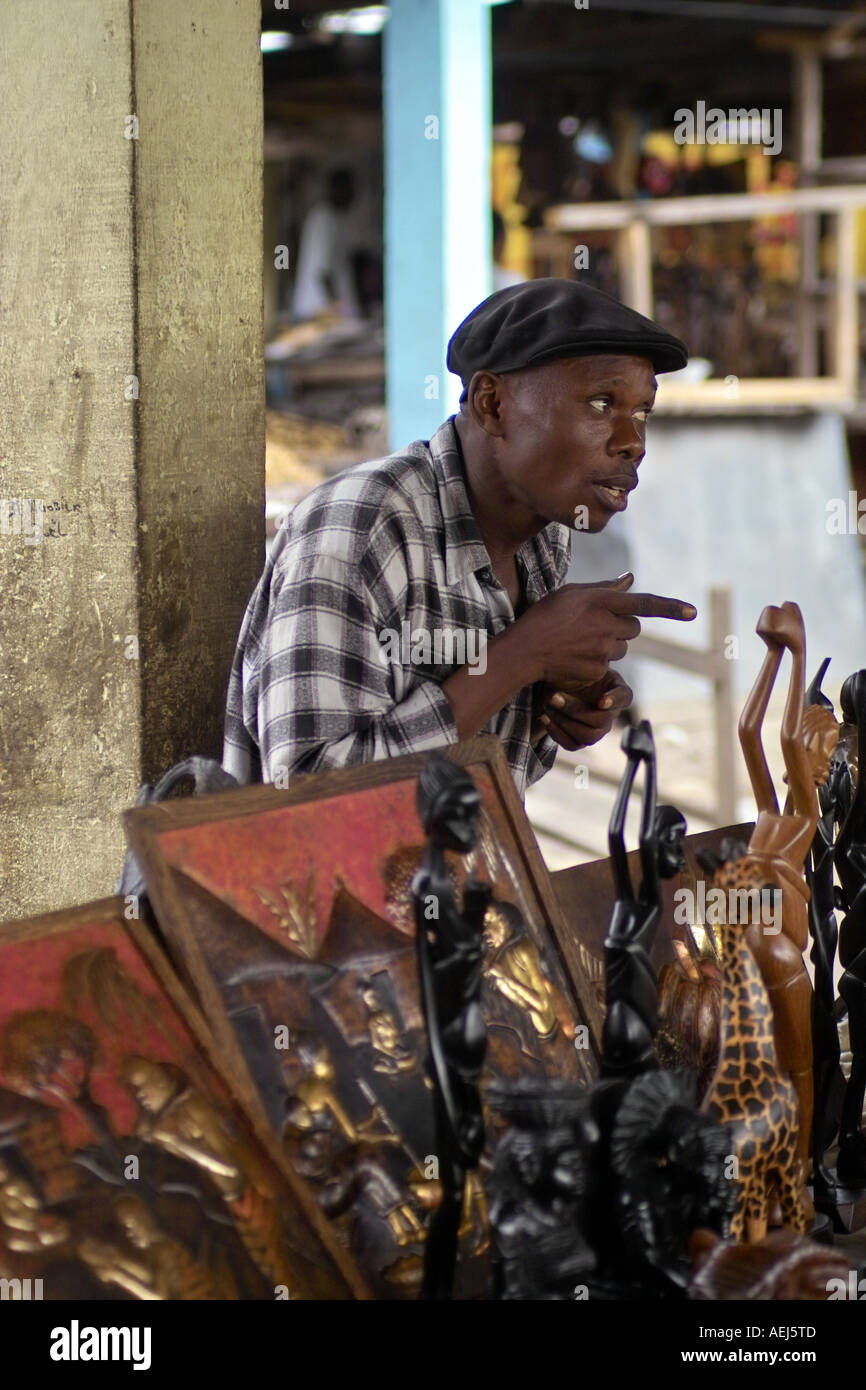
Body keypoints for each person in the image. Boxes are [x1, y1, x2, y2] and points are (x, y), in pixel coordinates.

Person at [223, 278, 696, 799]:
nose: (633, 443)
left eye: (642, 412)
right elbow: (310, 795)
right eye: (602, 403)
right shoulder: (359, 528)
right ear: (492, 404)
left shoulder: (544, 536)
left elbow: (480, 761)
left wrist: (551, 705)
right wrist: (521, 657)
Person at [291, 168, 360, 321]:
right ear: (338, 189)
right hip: (318, 313)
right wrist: (339, 310)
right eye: (350, 189)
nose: (353, 195)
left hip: (327, 314)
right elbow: (322, 273)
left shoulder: (337, 218)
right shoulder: (324, 218)